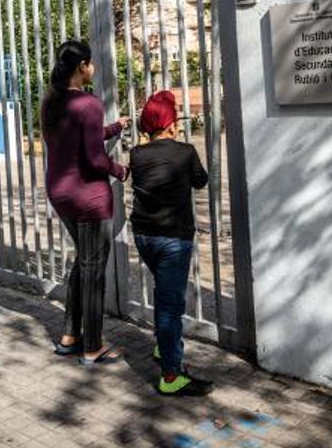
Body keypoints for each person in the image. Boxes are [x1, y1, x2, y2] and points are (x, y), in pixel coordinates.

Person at [41, 40, 131, 366]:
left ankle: (69, 337)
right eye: (91, 64)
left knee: (83, 260)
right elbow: (94, 158)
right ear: (83, 67)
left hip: (60, 192)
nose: (93, 69)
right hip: (88, 196)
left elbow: (79, 138)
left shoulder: (52, 101)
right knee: (94, 270)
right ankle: (92, 347)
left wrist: (114, 128)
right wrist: (120, 170)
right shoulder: (88, 103)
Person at [130, 90, 213, 396]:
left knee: (169, 299)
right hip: (173, 238)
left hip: (143, 236)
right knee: (169, 305)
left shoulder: (137, 155)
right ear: (172, 122)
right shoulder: (185, 151)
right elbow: (200, 181)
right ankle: (170, 376)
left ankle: (165, 346)